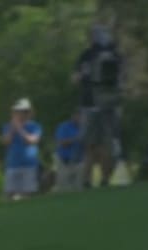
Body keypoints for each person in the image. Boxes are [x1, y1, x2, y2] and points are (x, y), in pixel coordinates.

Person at [74, 24, 123, 186]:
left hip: (89, 103)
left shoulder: (87, 55)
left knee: (89, 145)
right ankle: (105, 179)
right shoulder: (115, 55)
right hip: (109, 103)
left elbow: (76, 78)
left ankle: (87, 180)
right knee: (105, 143)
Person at [2, 98, 42, 199]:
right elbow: (6, 142)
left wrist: (19, 128)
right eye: (17, 111)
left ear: (28, 113)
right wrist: (12, 128)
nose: (18, 114)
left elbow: (31, 141)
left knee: (27, 195)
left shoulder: (34, 126)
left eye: (22, 111)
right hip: (12, 164)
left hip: (29, 165)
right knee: (10, 194)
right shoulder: (8, 127)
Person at [54, 109, 84, 191]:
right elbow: (61, 143)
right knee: (64, 188)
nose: (80, 118)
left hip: (80, 161)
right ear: (73, 116)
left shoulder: (85, 128)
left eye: (82, 116)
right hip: (64, 161)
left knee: (79, 188)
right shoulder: (64, 127)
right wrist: (76, 139)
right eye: (78, 116)